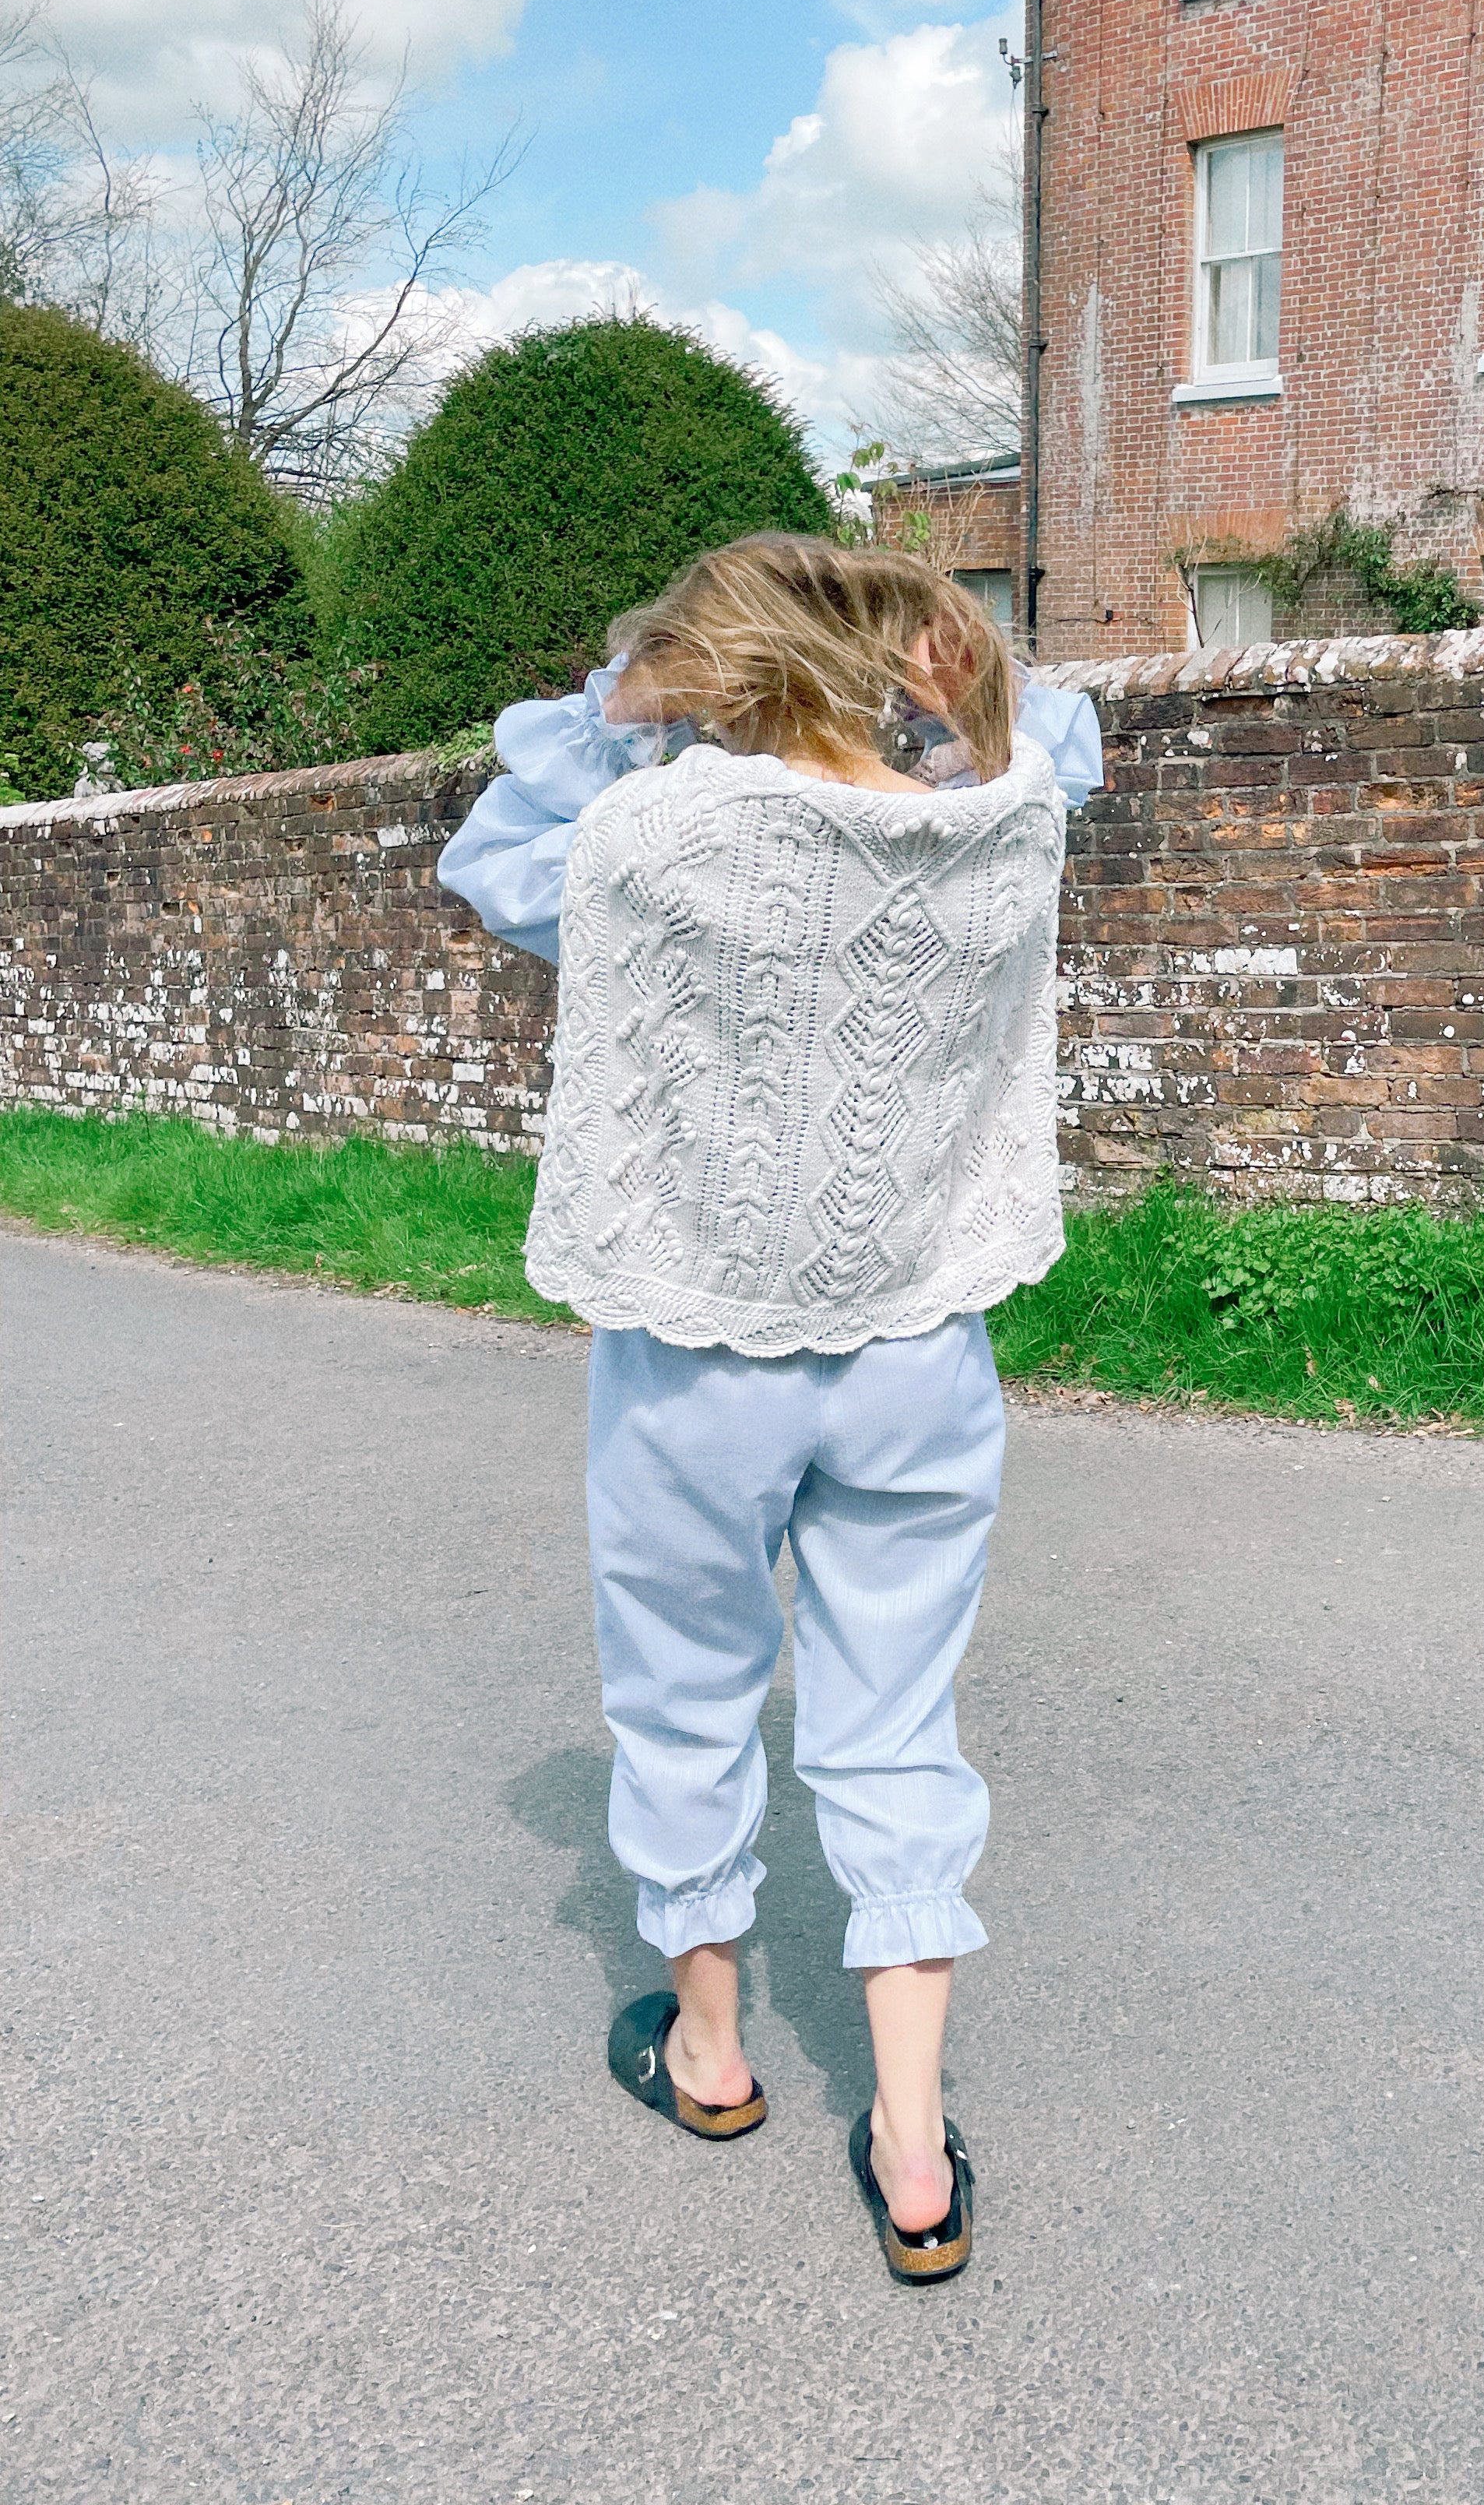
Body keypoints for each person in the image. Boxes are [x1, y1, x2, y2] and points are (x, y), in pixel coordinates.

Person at [438, 536, 1102, 2283]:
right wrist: (942, 696)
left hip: (697, 1357)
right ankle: (906, 2145)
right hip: (913, 1356)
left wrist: (611, 710)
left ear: (720, 674)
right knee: (895, 1724)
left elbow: (489, 856)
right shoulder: (1001, 816)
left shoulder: (642, 839)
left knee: (686, 1695)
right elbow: (1076, 729)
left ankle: (713, 2052)